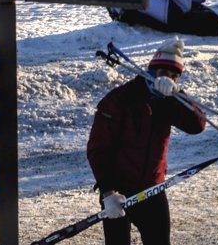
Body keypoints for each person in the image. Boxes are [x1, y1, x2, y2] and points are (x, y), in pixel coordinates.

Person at [86, 39, 207, 245]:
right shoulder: (119, 99)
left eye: (173, 76)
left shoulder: (169, 102)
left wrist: (177, 95)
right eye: (163, 73)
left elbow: (197, 125)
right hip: (117, 192)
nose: (167, 79)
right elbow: (98, 149)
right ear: (151, 70)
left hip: (152, 190)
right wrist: (108, 192)